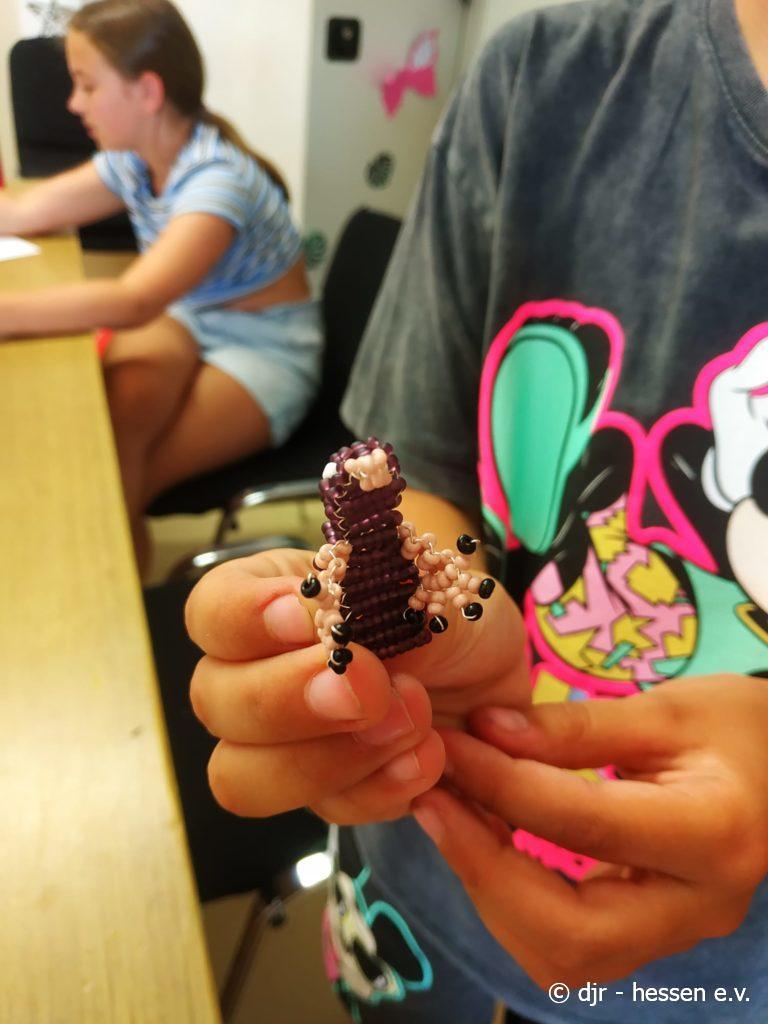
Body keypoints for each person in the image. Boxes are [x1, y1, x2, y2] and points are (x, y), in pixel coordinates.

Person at [185, 0, 768, 1021]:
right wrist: (443, 623)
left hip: (715, 978)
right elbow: (431, 484)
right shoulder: (538, 77)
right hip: (419, 851)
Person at [0, 0, 321, 573]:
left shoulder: (217, 181)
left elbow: (133, 301)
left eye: (87, 85)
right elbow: (23, 213)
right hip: (190, 318)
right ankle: (102, 576)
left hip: (264, 351)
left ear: (147, 91)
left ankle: (107, 596)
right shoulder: (133, 158)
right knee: (107, 432)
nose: (74, 104)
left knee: (116, 475)